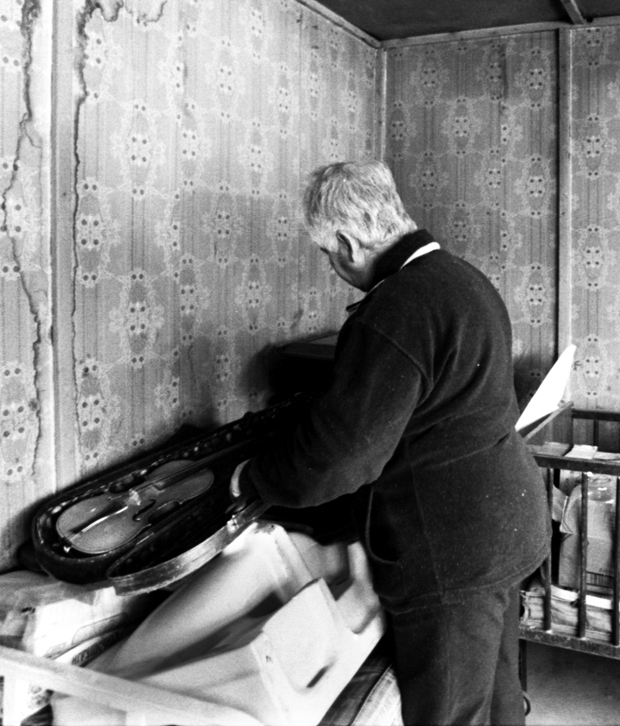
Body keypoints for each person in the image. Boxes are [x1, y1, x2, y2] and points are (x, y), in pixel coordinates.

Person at [230, 160, 550, 725]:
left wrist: (252, 477)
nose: (332, 265)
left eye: (327, 253)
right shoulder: (462, 277)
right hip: (507, 522)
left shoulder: (395, 309)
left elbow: (338, 460)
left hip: (451, 550)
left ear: (348, 244)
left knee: (449, 713)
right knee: (497, 694)